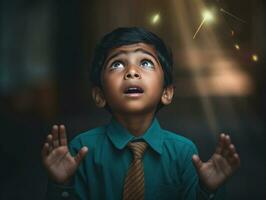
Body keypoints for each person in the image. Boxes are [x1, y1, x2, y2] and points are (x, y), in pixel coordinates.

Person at [42, 27, 240, 200]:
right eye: (117, 64)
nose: (132, 72)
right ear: (99, 95)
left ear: (167, 92)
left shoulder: (183, 153)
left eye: (145, 63)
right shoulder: (82, 150)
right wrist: (62, 184)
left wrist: (209, 190)